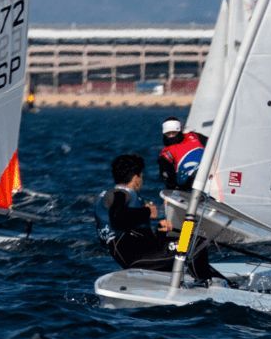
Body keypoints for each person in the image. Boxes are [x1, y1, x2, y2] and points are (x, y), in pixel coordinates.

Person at [95, 153, 222, 282]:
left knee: (187, 238)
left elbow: (138, 235)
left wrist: (160, 230)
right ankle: (205, 284)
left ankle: (220, 281)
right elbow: (118, 218)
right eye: (142, 176)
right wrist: (147, 212)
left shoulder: (113, 196)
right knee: (195, 242)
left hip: (140, 254)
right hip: (137, 257)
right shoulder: (119, 194)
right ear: (136, 177)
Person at [156, 118, 207, 192]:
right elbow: (167, 177)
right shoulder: (166, 153)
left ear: (179, 131)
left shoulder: (195, 136)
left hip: (208, 175)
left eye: (174, 133)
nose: (171, 136)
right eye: (168, 134)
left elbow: (214, 145)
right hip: (190, 185)